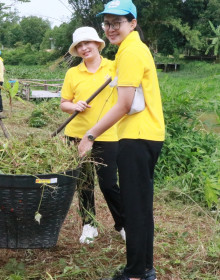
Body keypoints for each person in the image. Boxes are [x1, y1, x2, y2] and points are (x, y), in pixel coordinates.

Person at [79, 1, 165, 279]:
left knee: (135, 209)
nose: (110, 29)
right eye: (106, 23)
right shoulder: (130, 50)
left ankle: (136, 273)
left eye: (117, 22)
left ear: (133, 23)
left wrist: (90, 134)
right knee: (139, 206)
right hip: (144, 136)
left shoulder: (131, 52)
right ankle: (144, 268)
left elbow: (125, 104)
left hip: (137, 137)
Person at [61, 26, 125, 244]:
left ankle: (123, 223)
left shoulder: (114, 67)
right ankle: (89, 225)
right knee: (84, 182)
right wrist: (73, 106)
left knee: (109, 183)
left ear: (98, 44)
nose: (84, 48)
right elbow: (63, 103)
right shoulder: (72, 73)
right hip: (77, 135)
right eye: (79, 45)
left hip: (107, 135)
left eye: (87, 43)